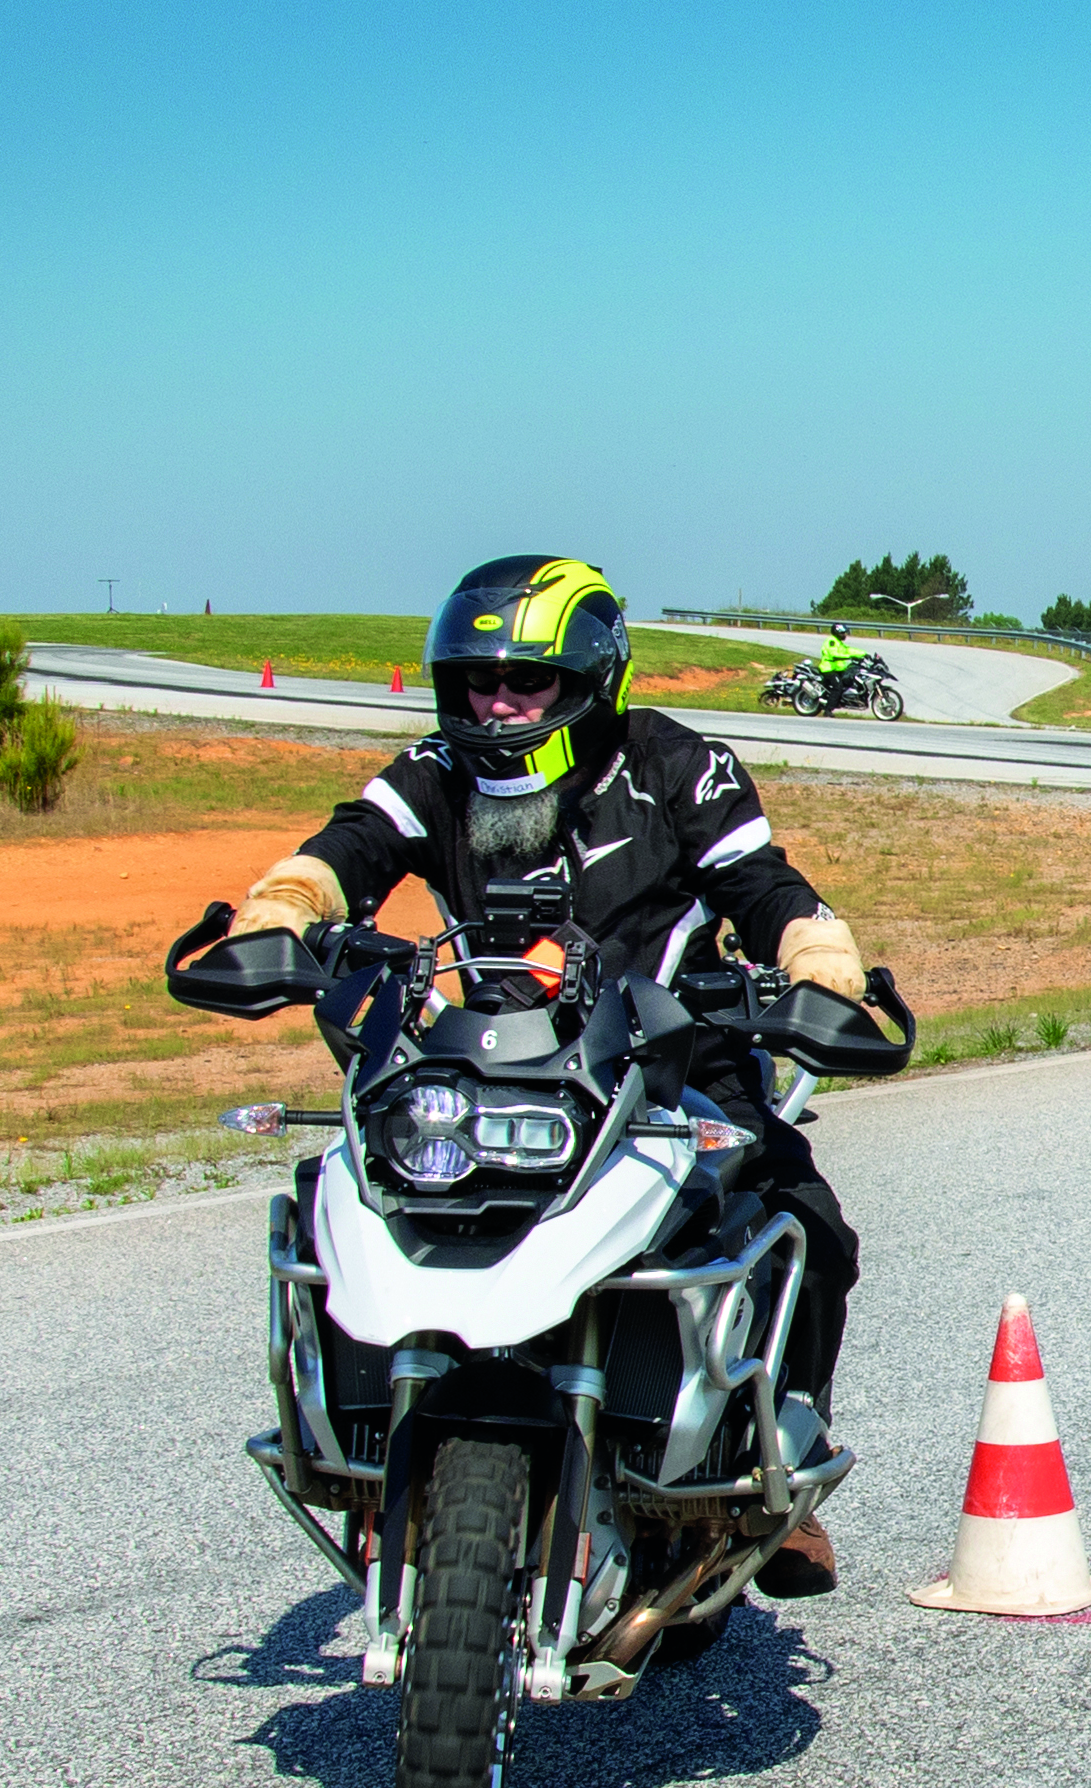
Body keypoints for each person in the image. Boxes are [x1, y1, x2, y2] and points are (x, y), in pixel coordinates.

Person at [217, 555, 878, 1595]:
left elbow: (760, 883)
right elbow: (349, 847)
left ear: (588, 681)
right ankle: (357, 1438)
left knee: (805, 1220)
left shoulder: (672, 763)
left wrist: (814, 956)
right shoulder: (436, 771)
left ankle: (777, 1468)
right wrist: (282, 908)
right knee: (333, 1190)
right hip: (491, 1063)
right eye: (477, 681)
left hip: (670, 1056)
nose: (498, 703)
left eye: (525, 682)